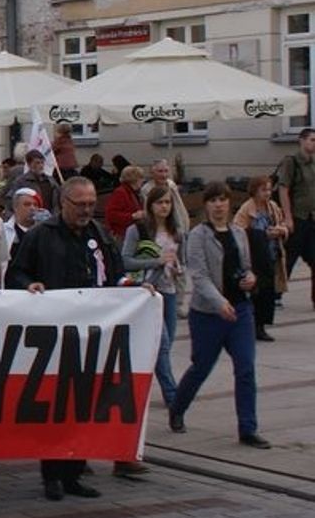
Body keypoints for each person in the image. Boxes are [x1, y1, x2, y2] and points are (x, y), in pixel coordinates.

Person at [6, 176, 136, 500]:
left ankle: (75, 473)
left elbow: (116, 273)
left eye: (92, 204)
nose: (87, 210)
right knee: (56, 408)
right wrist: (29, 285)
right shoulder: (40, 236)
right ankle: (51, 475)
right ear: (64, 202)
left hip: (92, 335)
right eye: (81, 204)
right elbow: (16, 273)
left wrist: (131, 288)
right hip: (55, 336)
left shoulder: (99, 235)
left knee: (84, 406)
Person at [168, 183, 268, 448]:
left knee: (245, 368)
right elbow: (199, 276)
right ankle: (177, 408)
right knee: (201, 367)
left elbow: (246, 266)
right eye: (213, 200)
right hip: (208, 314)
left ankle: (248, 428)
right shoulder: (198, 235)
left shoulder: (238, 232)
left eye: (223, 200)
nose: (219, 205)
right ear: (206, 205)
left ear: (229, 203)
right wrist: (219, 302)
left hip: (240, 311)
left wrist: (250, 278)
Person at [122, 185, 187, 410]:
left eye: (168, 202)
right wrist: (156, 261)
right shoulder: (138, 230)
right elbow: (126, 261)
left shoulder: (177, 232)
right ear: (150, 205)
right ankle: (172, 395)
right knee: (162, 344)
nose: (164, 207)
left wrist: (177, 268)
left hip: (169, 291)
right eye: (160, 202)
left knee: (163, 345)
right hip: (148, 292)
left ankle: (141, 386)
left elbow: (182, 261)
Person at [234, 175, 288, 341]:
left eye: (269, 189)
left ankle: (262, 325)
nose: (267, 193)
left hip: (271, 255)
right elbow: (238, 231)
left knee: (267, 292)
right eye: (263, 190)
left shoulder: (272, 207)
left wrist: (280, 231)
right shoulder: (246, 209)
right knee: (255, 292)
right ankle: (251, 326)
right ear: (255, 191)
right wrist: (262, 235)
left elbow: (283, 224)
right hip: (254, 257)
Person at [275, 127, 315, 303]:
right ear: (302, 141)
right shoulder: (291, 162)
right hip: (297, 218)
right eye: (312, 140)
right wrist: (288, 217)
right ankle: (276, 294)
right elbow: (283, 189)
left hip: (311, 218)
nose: (314, 144)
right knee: (289, 258)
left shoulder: (313, 162)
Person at [105, 165, 147, 240]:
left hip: (129, 233)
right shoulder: (120, 192)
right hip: (121, 234)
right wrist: (133, 216)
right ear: (134, 179)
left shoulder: (133, 193)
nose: (143, 181)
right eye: (141, 178)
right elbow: (111, 215)